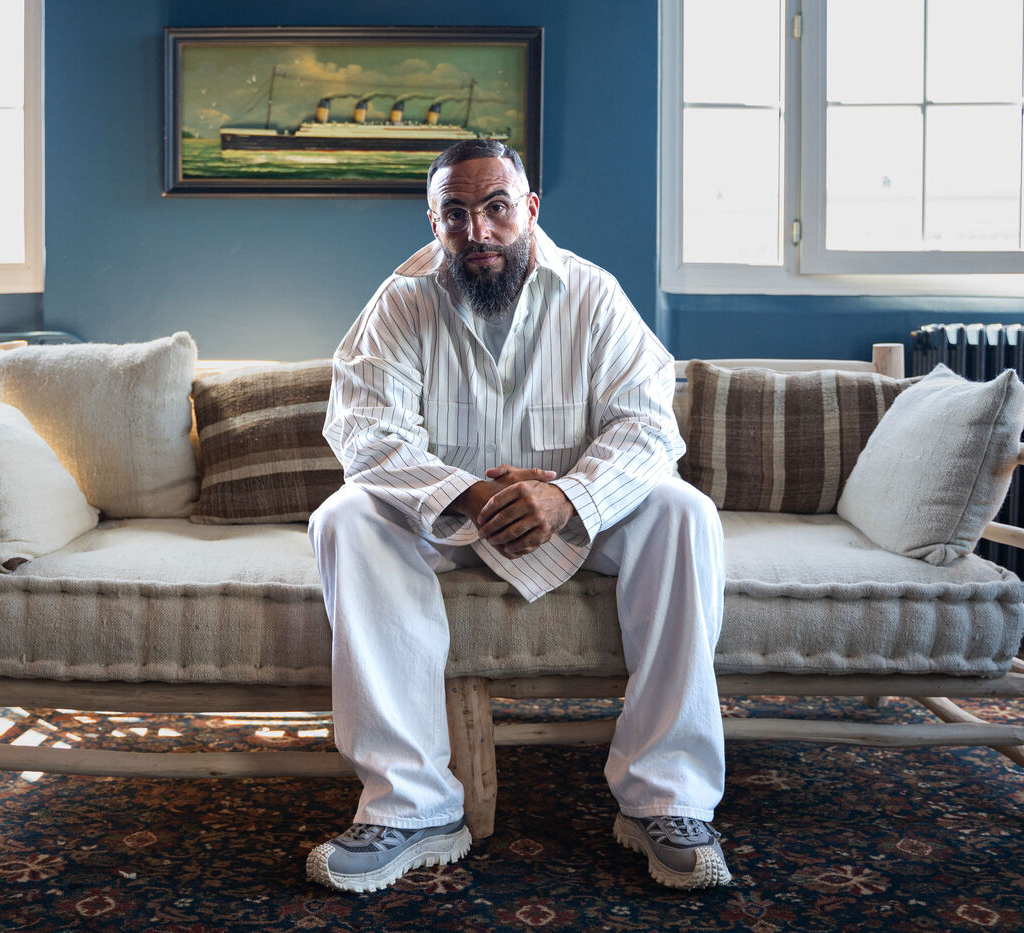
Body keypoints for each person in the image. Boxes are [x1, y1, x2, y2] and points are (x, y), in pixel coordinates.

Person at [307, 139, 728, 893]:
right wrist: (469, 495)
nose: (479, 231)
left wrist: (569, 496)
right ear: (433, 221)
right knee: (346, 516)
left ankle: (666, 798)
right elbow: (366, 432)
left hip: (575, 513)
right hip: (446, 521)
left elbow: (648, 425)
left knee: (683, 511)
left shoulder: (594, 295)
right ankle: (411, 808)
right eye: (456, 214)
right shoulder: (400, 302)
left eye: (496, 207)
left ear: (529, 209)